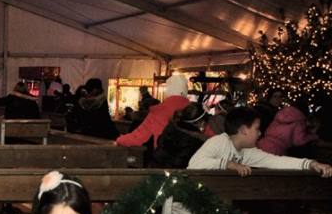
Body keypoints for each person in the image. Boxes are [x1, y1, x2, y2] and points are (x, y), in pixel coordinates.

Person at [187, 106, 332, 177]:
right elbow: (194, 165)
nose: (260, 133)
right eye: (257, 128)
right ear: (244, 130)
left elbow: (276, 161)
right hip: (188, 204)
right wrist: (229, 164)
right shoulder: (218, 142)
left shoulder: (248, 152)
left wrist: (311, 164)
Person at [116, 75, 190, 149]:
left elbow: (137, 137)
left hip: (165, 156)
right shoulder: (193, 111)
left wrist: (119, 139)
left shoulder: (159, 111)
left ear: (168, 91)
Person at [152, 102, 207, 168]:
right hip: (171, 174)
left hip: (154, 167)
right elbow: (181, 163)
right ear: (201, 122)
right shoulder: (195, 140)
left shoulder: (171, 127)